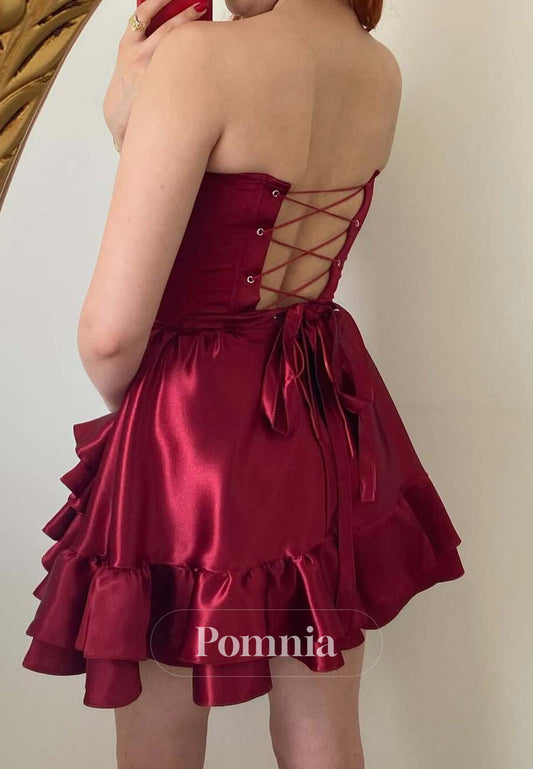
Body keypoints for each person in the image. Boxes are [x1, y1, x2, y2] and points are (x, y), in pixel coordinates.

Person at [22, 0, 465, 767]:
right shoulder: (377, 69)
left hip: (190, 437)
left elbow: (109, 334)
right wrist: (130, 114)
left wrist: (151, 426)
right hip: (320, 411)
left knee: (160, 740)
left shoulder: (200, 60)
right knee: (323, 730)